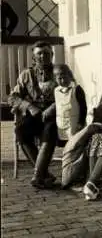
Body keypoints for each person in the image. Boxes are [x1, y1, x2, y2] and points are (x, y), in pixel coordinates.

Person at [8, 41, 58, 189]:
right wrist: (29, 106)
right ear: (34, 58)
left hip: (53, 115)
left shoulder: (60, 71)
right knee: (20, 130)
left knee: (49, 130)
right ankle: (44, 174)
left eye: (47, 53)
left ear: (52, 55)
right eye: (39, 54)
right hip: (34, 114)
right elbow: (13, 97)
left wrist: (53, 107)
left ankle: (37, 175)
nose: (43, 56)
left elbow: (70, 91)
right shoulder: (26, 74)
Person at [53, 64, 87, 141]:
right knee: (65, 144)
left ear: (70, 75)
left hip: (75, 124)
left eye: (65, 77)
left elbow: (83, 107)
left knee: (75, 144)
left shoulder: (77, 89)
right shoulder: (56, 91)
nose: (63, 80)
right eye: (59, 78)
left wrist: (80, 123)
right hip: (62, 124)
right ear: (55, 79)